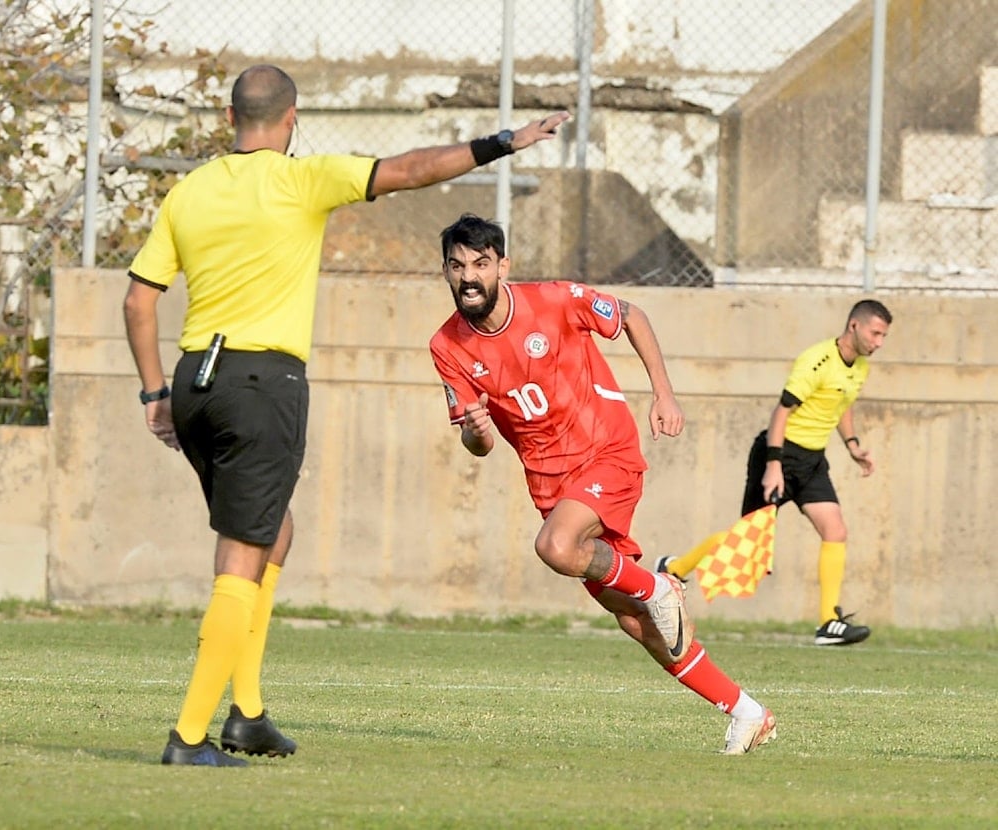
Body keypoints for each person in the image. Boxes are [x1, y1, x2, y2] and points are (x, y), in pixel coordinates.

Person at [123, 64, 570, 767]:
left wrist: (154, 394)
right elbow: (414, 169)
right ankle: (187, 737)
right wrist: (503, 141)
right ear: (291, 116)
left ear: (230, 116)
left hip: (193, 382)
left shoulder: (191, 188)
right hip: (260, 380)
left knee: (276, 530)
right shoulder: (302, 179)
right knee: (242, 554)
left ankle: (247, 715)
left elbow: (138, 300)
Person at [429, 213, 776, 755]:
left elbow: (633, 316)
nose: (468, 276)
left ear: (502, 266)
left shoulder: (553, 300)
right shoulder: (447, 346)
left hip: (605, 453)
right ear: (445, 271)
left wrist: (663, 393)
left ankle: (658, 584)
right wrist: (475, 432)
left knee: (556, 547)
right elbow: (480, 445)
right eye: (456, 266)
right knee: (637, 624)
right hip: (552, 485)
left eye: (480, 264)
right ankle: (746, 711)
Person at [656, 299, 892, 646]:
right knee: (748, 551)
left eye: (884, 336)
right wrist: (773, 467)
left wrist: (853, 445)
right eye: (876, 333)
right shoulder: (817, 361)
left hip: (812, 462)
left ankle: (828, 621)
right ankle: (673, 569)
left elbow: (842, 404)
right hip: (779, 455)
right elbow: (780, 414)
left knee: (835, 530)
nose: (879, 343)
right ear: (854, 326)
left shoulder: (859, 367)